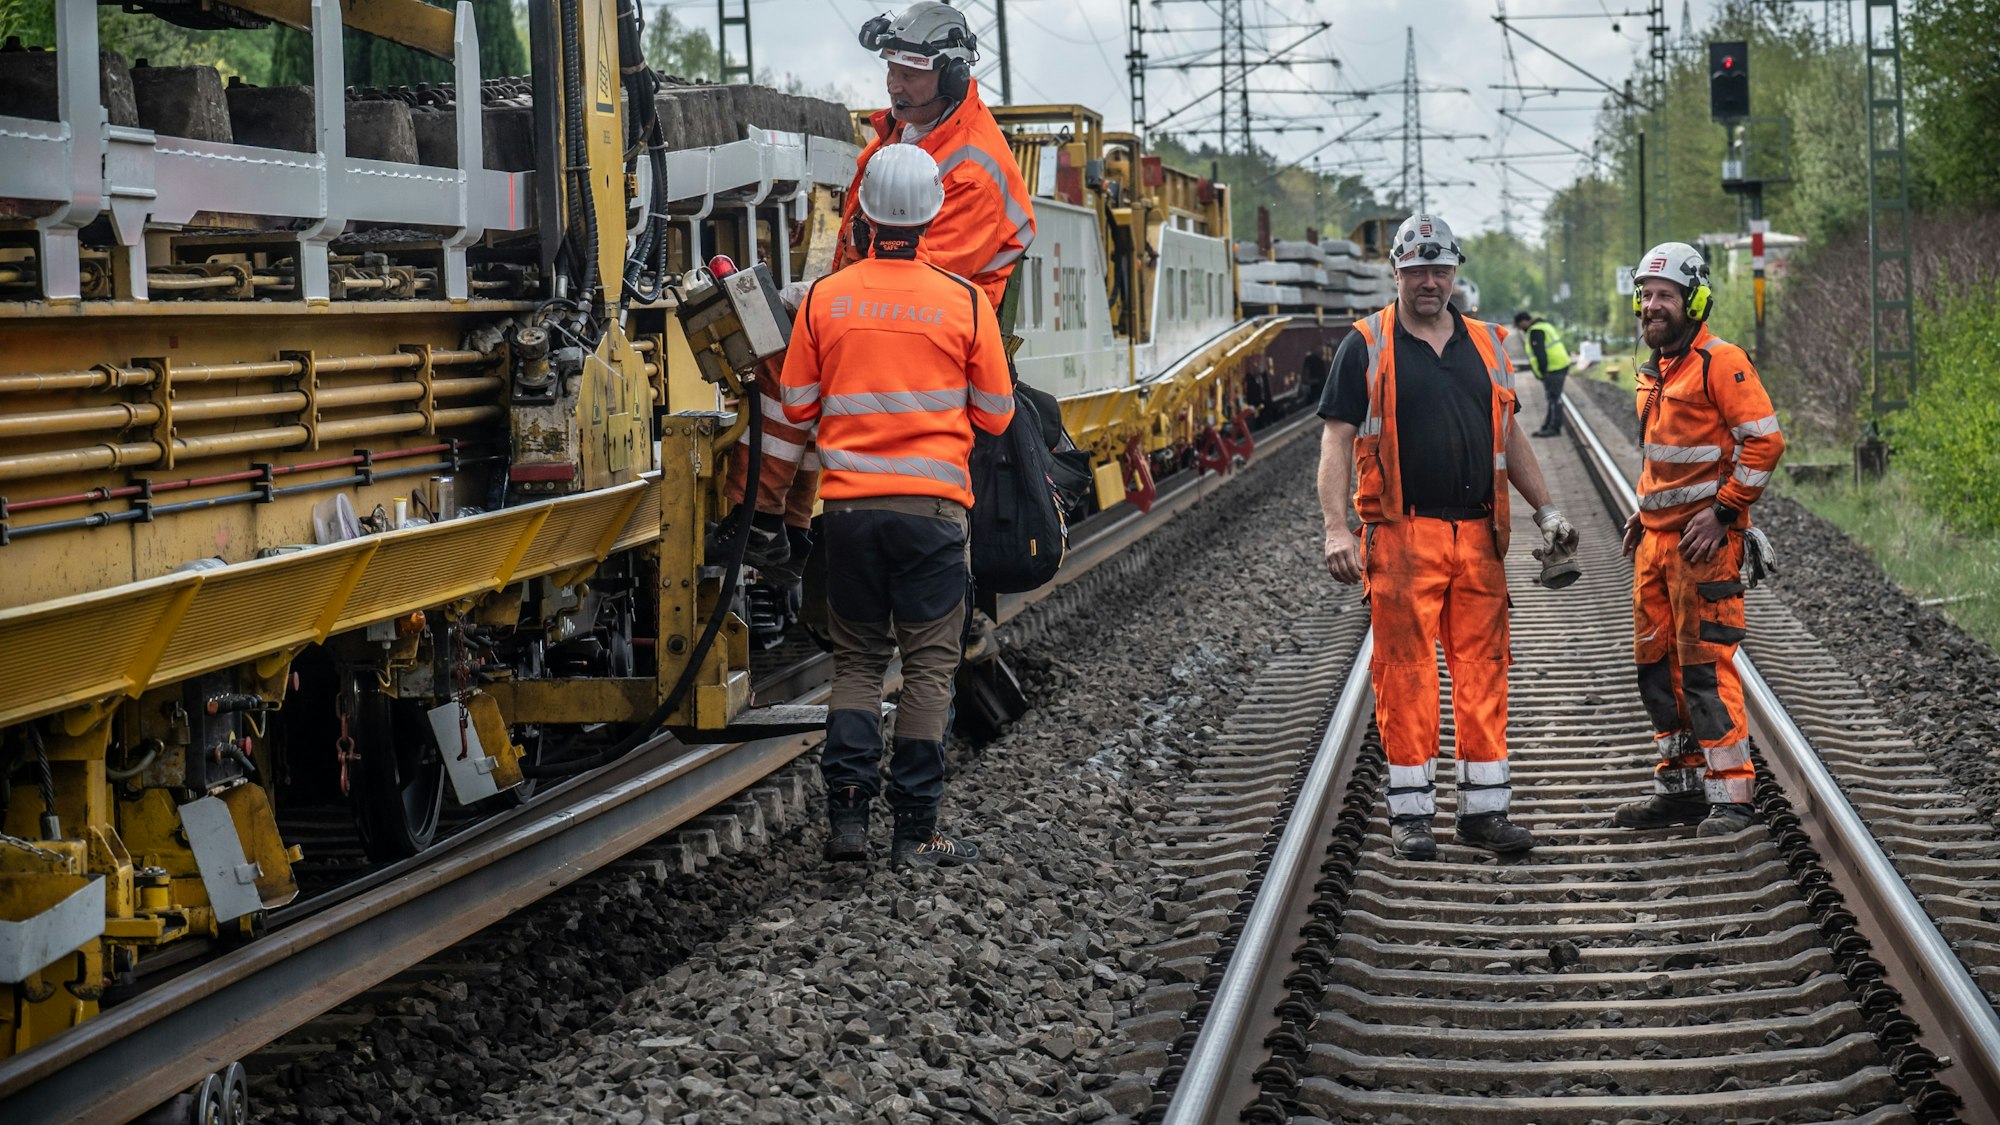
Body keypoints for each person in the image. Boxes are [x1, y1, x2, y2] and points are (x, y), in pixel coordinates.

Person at [720, 0, 1037, 571]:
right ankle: (787, 528)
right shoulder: (916, 131)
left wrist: (821, 303)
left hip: (931, 327)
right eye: (890, 68)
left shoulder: (970, 169)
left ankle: (759, 519)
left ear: (953, 75)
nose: (894, 83)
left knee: (784, 359)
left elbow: (921, 276)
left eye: (910, 72)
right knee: (804, 351)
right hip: (909, 309)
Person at [1316, 213, 1579, 861]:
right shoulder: (1366, 344)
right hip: (1402, 538)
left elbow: (1509, 434)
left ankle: (1484, 813)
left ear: (1454, 271)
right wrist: (1334, 528)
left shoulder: (1489, 345)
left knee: (1483, 672)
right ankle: (1411, 815)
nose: (1428, 282)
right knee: (1404, 674)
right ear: (1396, 272)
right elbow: (1335, 439)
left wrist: (1545, 509)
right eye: (1416, 270)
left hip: (1480, 539)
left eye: (1439, 269)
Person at [780, 144, 1015, 868]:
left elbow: (795, 406)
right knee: (927, 671)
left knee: (855, 664)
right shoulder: (966, 302)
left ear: (869, 213)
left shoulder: (825, 298)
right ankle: (916, 832)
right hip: (933, 516)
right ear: (933, 215)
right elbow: (1000, 415)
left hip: (848, 514)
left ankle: (848, 822)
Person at [1611, 241, 1785, 836]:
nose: (1652, 306)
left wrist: (1725, 511)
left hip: (1705, 547)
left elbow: (1765, 443)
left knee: (1705, 667)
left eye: (1665, 295)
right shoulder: (1657, 368)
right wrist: (1644, 510)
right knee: (1657, 670)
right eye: (1646, 295)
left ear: (1696, 300)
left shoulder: (1721, 361)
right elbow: (1667, 459)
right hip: (1658, 546)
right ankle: (1681, 788)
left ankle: (1733, 798)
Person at [1514, 310, 1573, 438]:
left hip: (1553, 367)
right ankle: (1548, 425)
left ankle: (1554, 427)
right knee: (1553, 397)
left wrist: (1543, 371)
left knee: (1554, 398)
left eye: (1519, 325)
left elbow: (1540, 353)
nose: (1520, 328)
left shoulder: (1535, 331)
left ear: (1524, 321)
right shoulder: (1544, 326)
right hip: (1560, 364)